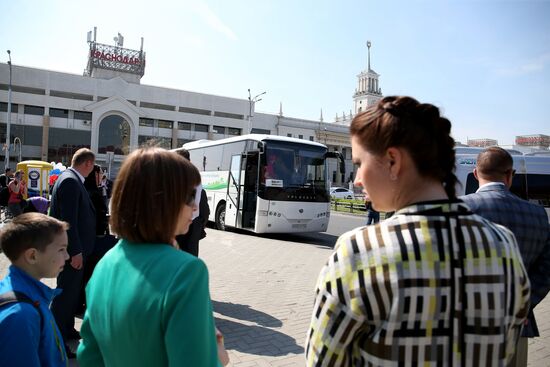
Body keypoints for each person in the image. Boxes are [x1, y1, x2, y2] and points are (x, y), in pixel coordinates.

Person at [305, 96, 530, 366]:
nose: (357, 179)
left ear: (392, 161)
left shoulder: (359, 251)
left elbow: (323, 361)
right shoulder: (504, 245)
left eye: (359, 163)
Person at [77, 147, 228, 366]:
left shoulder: (105, 265)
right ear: (163, 201)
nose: (195, 206)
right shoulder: (186, 272)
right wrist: (217, 356)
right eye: (189, 196)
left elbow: (90, 357)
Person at [460, 146, 550, 367]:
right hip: (517, 325)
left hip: (464, 324)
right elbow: (546, 271)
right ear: (511, 175)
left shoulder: (458, 208)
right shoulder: (538, 214)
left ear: (475, 174)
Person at [0, 213, 70, 366]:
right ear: (32, 256)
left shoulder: (29, 297)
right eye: (61, 250)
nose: (67, 256)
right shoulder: (21, 315)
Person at [49, 148, 96, 358]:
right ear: (87, 164)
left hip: (71, 252)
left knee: (70, 294)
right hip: (71, 253)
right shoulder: (70, 181)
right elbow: (69, 222)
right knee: (65, 296)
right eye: (93, 166)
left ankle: (66, 330)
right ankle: (55, 341)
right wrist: (75, 251)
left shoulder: (69, 179)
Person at [175, 148, 210, 257]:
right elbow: (199, 206)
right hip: (192, 225)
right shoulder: (194, 176)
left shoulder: (173, 175)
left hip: (181, 223)